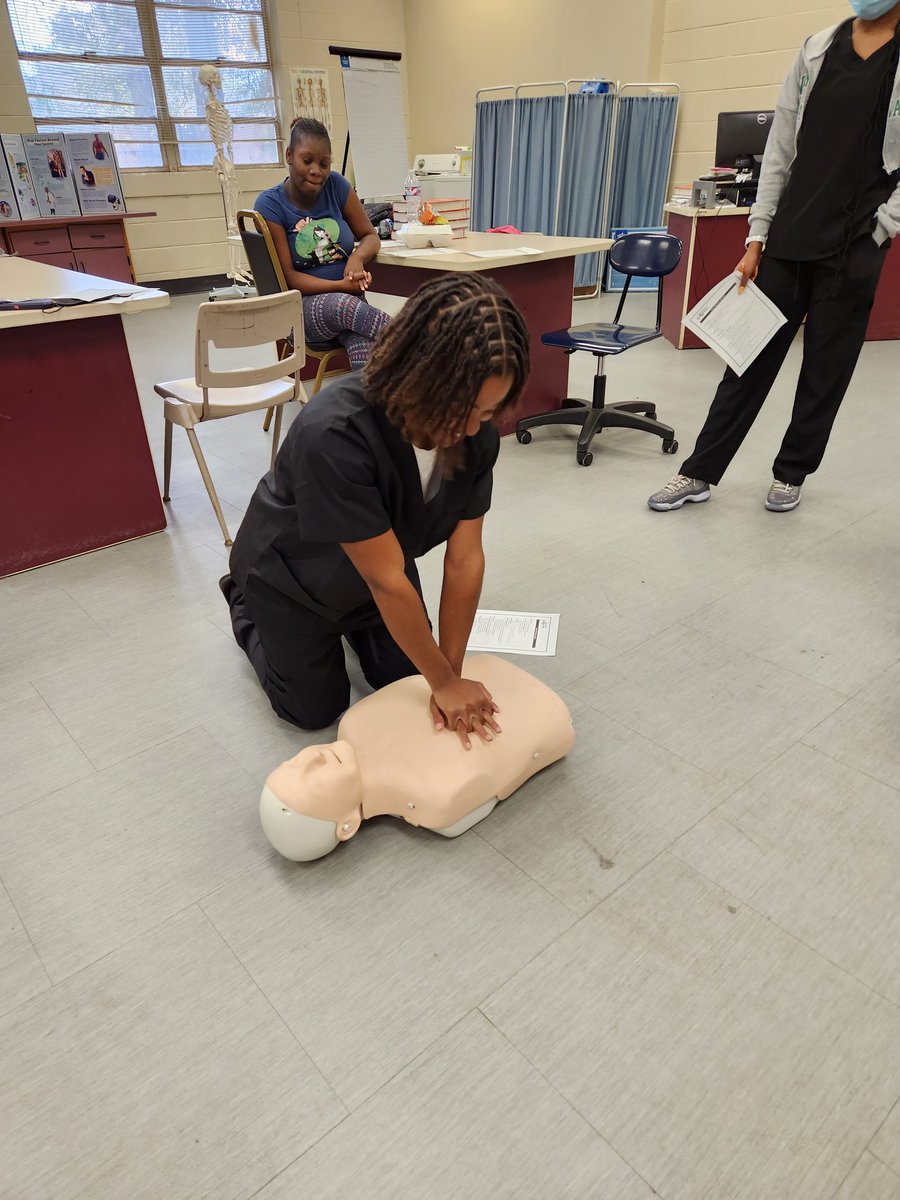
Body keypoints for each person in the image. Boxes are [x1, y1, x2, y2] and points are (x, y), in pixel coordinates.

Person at [219, 273, 530, 746]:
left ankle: (364, 636)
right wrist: (444, 684)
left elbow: (464, 559)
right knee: (314, 711)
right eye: (460, 405)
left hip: (378, 572)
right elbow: (385, 579)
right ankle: (242, 600)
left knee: (406, 680)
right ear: (416, 372)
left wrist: (451, 672)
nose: (470, 427)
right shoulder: (336, 431)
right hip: (291, 580)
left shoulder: (475, 438)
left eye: (486, 412)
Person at [649, 0, 900, 513]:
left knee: (825, 370)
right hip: (790, 236)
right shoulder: (818, 49)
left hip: (856, 243)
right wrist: (756, 238)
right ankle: (697, 471)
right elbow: (780, 148)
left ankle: (791, 472)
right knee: (746, 362)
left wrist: (885, 225)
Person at [259, 655, 575, 861]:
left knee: (394, 661)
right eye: (311, 779)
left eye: (293, 763)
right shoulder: (436, 800)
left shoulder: (354, 722)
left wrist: (449, 681)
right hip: (537, 710)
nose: (311, 758)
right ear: (347, 826)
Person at [254, 116, 389, 369]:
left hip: (352, 308)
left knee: (368, 354)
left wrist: (357, 257)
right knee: (346, 306)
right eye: (308, 161)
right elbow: (288, 277)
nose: (317, 171)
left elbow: (370, 236)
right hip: (302, 311)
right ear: (289, 155)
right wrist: (340, 285)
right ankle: (421, 343)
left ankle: (366, 407)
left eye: (324, 163)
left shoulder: (337, 185)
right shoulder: (270, 205)